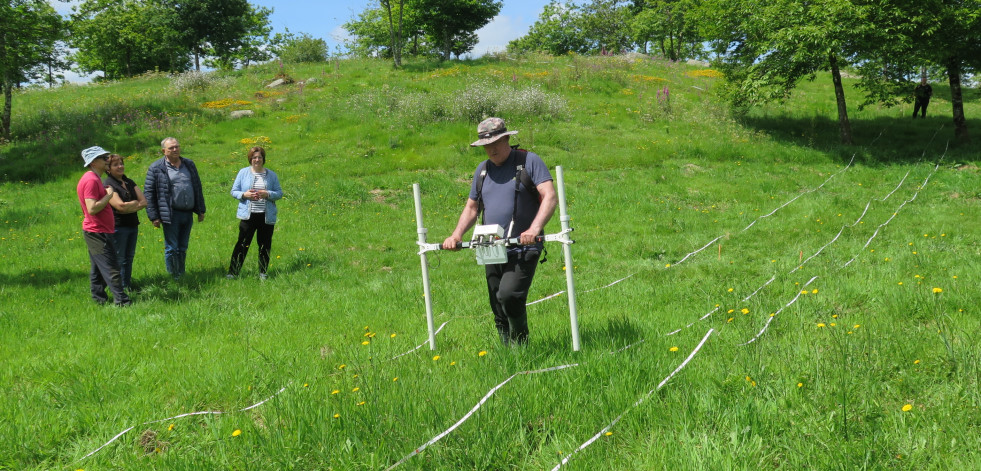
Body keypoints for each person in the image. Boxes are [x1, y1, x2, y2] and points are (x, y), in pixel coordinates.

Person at [442, 117, 557, 345]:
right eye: (486, 145)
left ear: (507, 138)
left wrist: (534, 229)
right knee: (497, 302)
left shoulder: (529, 161)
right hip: (491, 246)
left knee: (510, 295)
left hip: (524, 246)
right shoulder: (482, 170)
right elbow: (472, 207)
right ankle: (507, 352)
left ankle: (520, 344)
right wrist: (456, 235)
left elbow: (550, 196)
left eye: (495, 142)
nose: (491, 149)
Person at [144, 137, 206, 280]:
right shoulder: (156, 168)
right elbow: (149, 192)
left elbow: (197, 187)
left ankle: (181, 274)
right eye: (171, 148)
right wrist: (154, 216)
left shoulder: (189, 164)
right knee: (172, 247)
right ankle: (173, 276)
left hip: (188, 212)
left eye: (177, 146)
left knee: (183, 247)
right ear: (163, 151)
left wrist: (200, 209)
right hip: (170, 213)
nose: (175, 149)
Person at [77, 146, 132, 306]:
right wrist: (108, 196)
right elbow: (92, 208)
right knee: (111, 266)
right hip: (97, 231)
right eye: (103, 158)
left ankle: (99, 299)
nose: (107, 160)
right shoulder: (91, 180)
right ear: (94, 162)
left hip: (98, 230)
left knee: (97, 269)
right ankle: (122, 301)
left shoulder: (93, 178)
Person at [227, 146, 283, 280]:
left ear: (263, 159)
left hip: (266, 215)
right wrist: (244, 194)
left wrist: (267, 193)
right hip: (248, 215)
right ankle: (233, 272)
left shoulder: (271, 175)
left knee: (264, 244)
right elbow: (234, 191)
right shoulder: (243, 173)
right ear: (250, 159)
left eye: (259, 157)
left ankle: (263, 273)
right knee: (242, 244)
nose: (257, 160)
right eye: (254, 157)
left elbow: (279, 193)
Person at [103, 154, 147, 291]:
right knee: (119, 258)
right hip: (118, 227)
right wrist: (133, 205)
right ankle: (118, 288)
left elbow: (144, 201)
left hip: (132, 225)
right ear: (108, 169)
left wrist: (131, 205)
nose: (120, 166)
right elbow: (119, 206)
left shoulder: (129, 182)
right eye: (115, 164)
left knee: (129, 257)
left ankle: (127, 285)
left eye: (121, 163)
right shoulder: (108, 185)